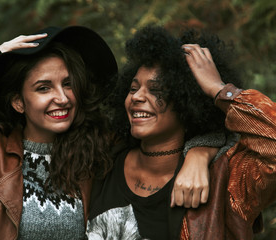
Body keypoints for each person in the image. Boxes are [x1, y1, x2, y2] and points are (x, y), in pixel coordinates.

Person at [0, 25, 221, 239]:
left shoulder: (96, 149)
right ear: (18, 102)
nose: (61, 98)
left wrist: (199, 151)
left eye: (67, 84)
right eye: (43, 88)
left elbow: (167, 129)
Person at [86, 25, 276, 240]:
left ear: (188, 102)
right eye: (133, 88)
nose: (137, 97)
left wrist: (218, 89)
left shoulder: (226, 181)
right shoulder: (101, 157)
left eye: (156, 90)